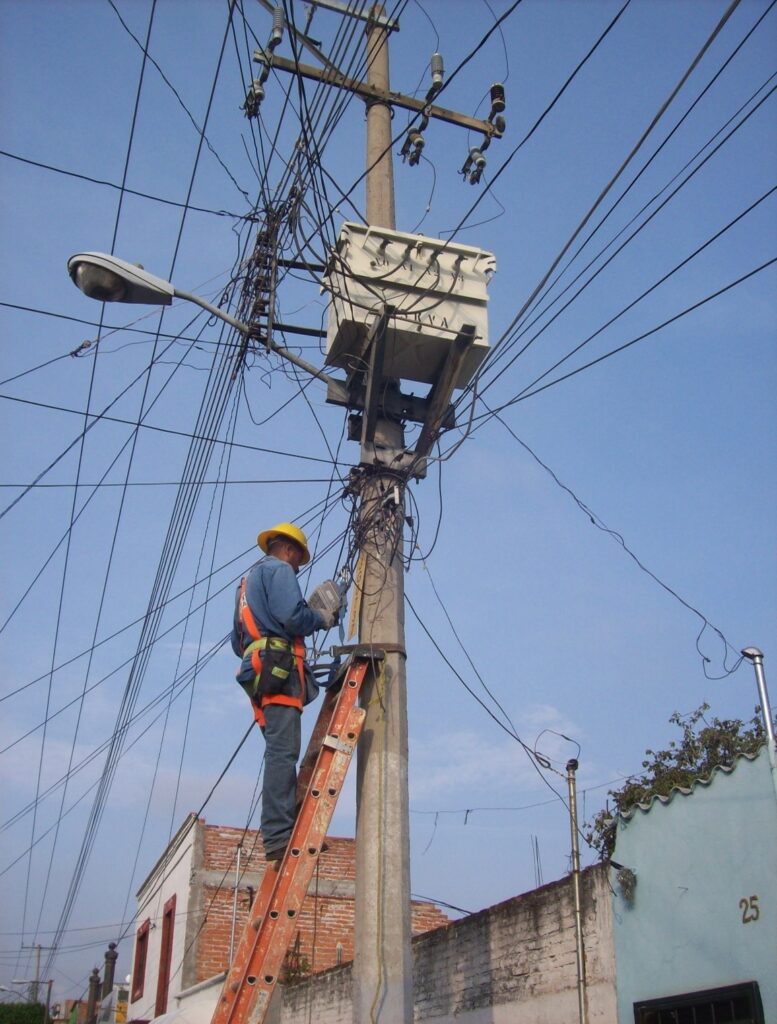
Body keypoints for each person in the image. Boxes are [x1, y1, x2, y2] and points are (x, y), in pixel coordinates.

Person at [231, 521, 337, 861]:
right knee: (283, 752)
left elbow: (237, 642)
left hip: (256, 670)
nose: (296, 567)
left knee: (279, 749)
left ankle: (282, 824)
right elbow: (292, 616)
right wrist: (320, 617)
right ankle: (279, 835)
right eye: (297, 561)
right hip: (278, 668)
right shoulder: (278, 570)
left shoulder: (245, 584)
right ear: (288, 549)